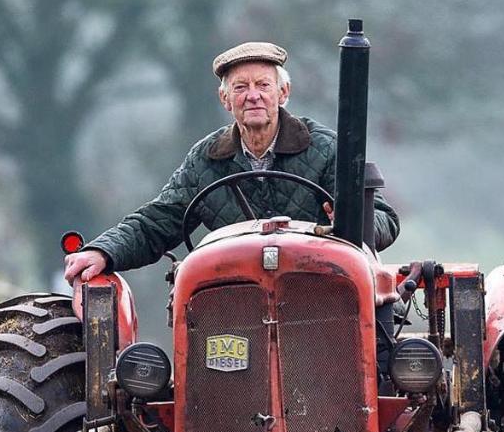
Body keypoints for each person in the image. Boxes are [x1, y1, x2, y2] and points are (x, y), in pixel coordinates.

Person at [64, 41, 400, 285]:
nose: (253, 95)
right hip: (238, 295)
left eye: (263, 85)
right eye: (241, 87)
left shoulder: (326, 149)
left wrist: (350, 222)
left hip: (318, 288)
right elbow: (156, 221)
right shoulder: (207, 159)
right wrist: (103, 252)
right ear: (225, 100)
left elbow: (384, 219)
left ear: (283, 94)